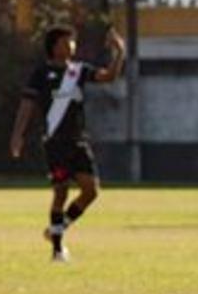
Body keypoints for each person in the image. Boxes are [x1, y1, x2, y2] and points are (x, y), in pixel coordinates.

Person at [9, 25, 125, 261]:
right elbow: (27, 105)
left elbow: (109, 77)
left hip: (78, 141)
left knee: (91, 191)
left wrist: (119, 52)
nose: (71, 45)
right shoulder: (41, 73)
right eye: (66, 41)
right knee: (61, 192)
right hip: (55, 143)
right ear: (54, 45)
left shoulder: (79, 71)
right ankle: (57, 249)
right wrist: (17, 135)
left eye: (72, 41)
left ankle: (56, 229)